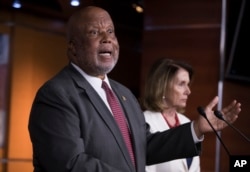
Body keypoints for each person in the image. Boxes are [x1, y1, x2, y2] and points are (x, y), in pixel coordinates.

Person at [28, 6, 241, 172]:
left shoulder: (124, 94)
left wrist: (195, 129)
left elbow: (144, 145)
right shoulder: (56, 95)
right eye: (94, 32)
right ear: (73, 48)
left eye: (111, 31)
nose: (107, 38)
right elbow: (70, 164)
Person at [142, 58, 200, 172]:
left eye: (188, 84)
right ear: (163, 86)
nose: (188, 91)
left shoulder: (187, 122)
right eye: (181, 84)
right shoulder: (144, 121)